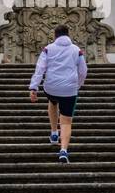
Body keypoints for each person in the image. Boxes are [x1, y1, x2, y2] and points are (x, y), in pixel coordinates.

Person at [29, 24, 87, 164]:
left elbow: (40, 69)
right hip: (69, 89)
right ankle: (63, 151)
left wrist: (34, 87)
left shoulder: (48, 49)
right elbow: (83, 71)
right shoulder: (76, 50)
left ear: (55, 35)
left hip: (51, 87)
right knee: (66, 121)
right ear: (68, 35)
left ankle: (54, 133)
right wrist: (77, 85)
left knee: (53, 102)